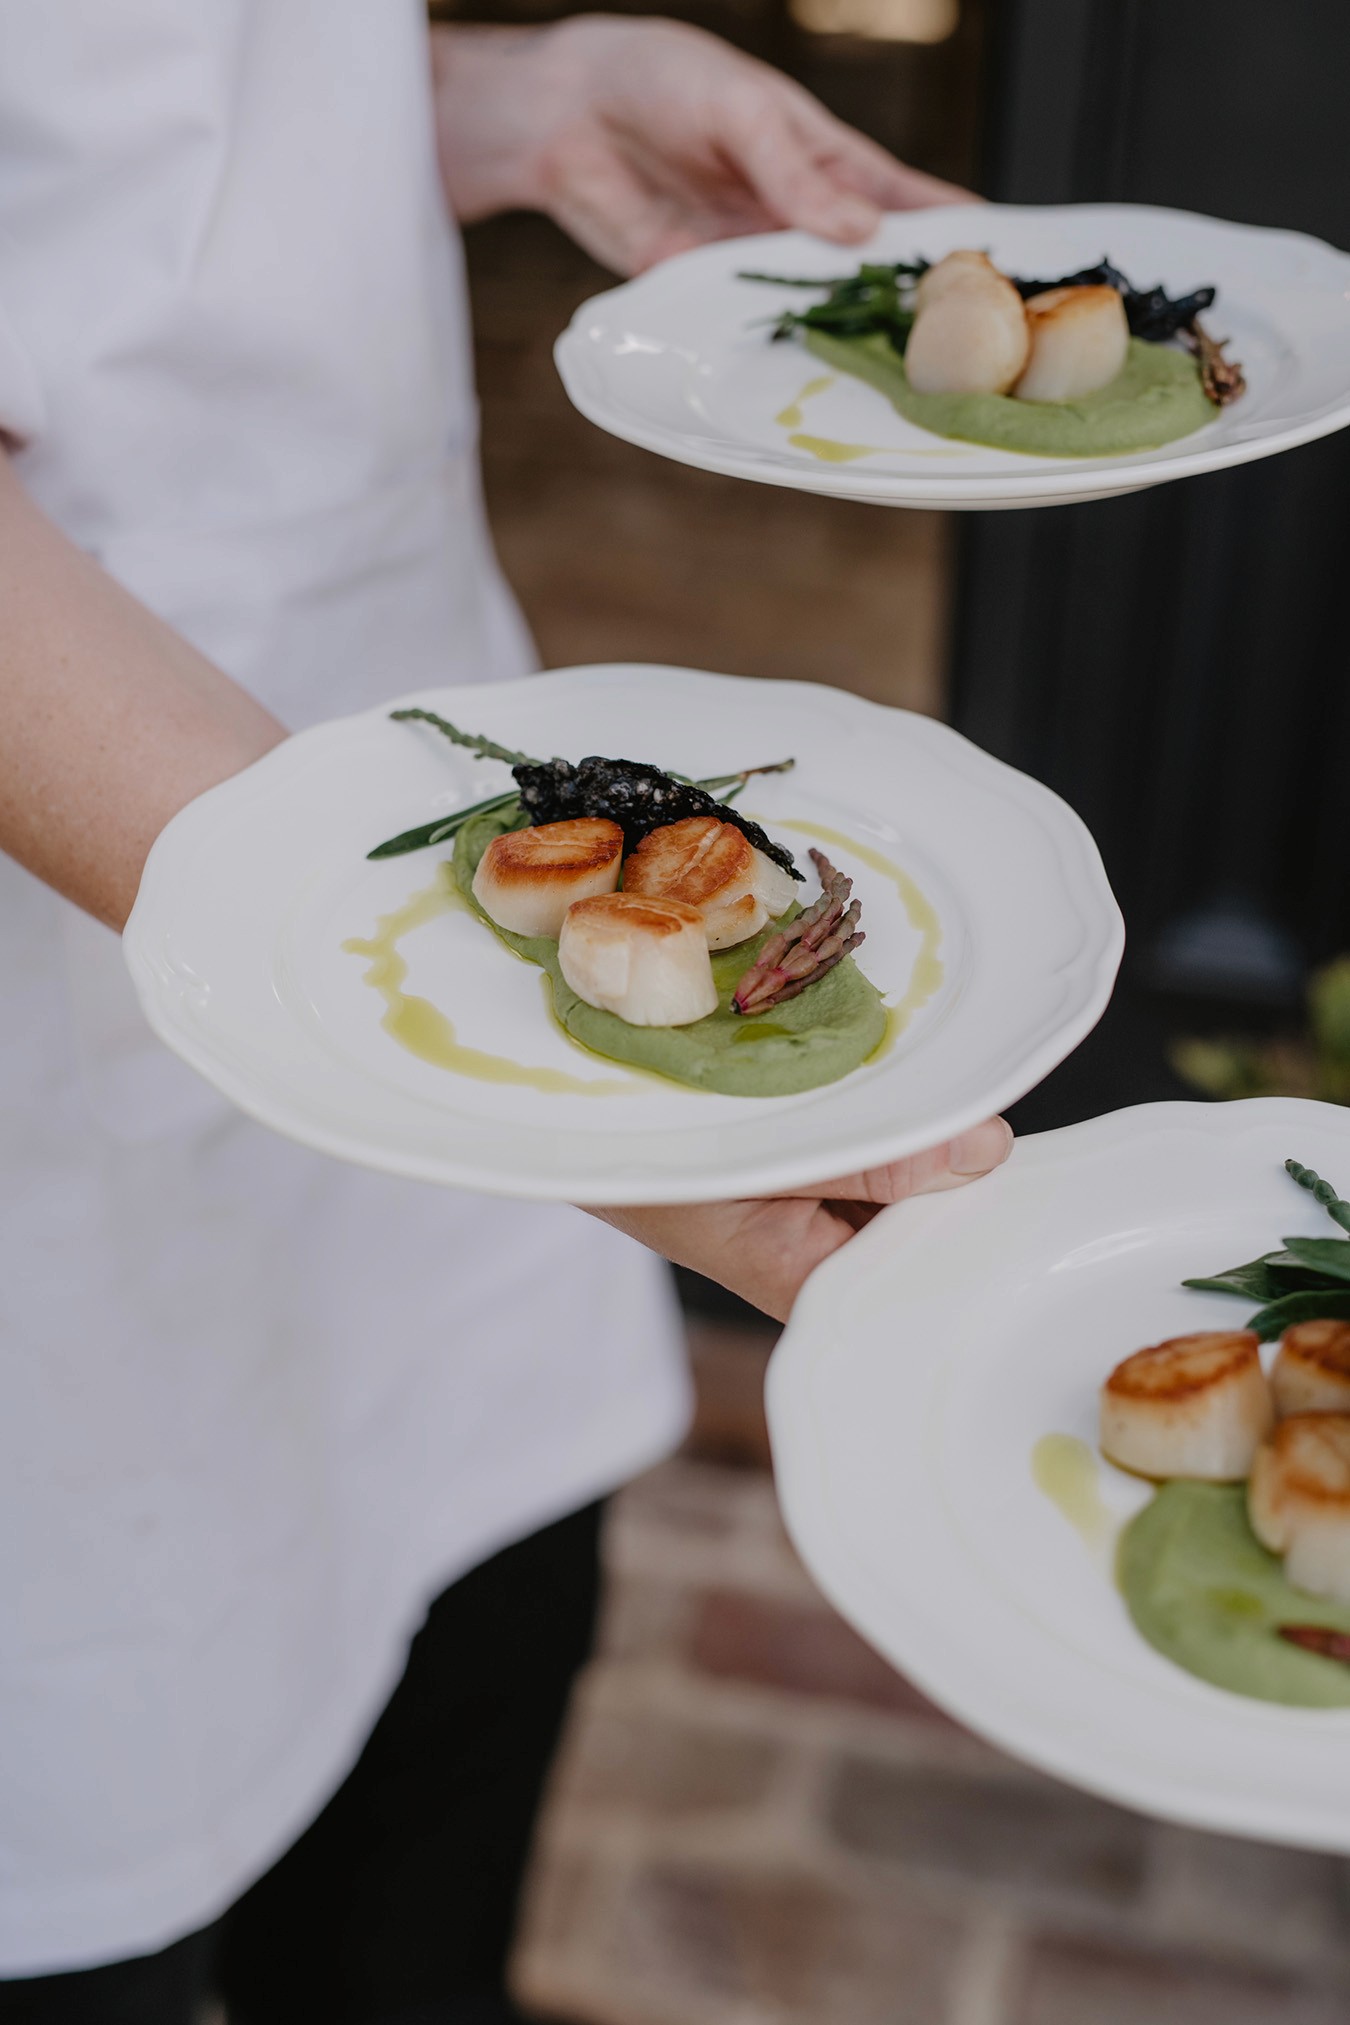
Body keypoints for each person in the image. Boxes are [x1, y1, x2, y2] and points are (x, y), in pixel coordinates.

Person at [0, 7, 1011, 2019]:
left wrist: (497, 100)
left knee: (446, 1799)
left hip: (405, 854)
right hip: (120, 1024)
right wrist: (536, 1073)